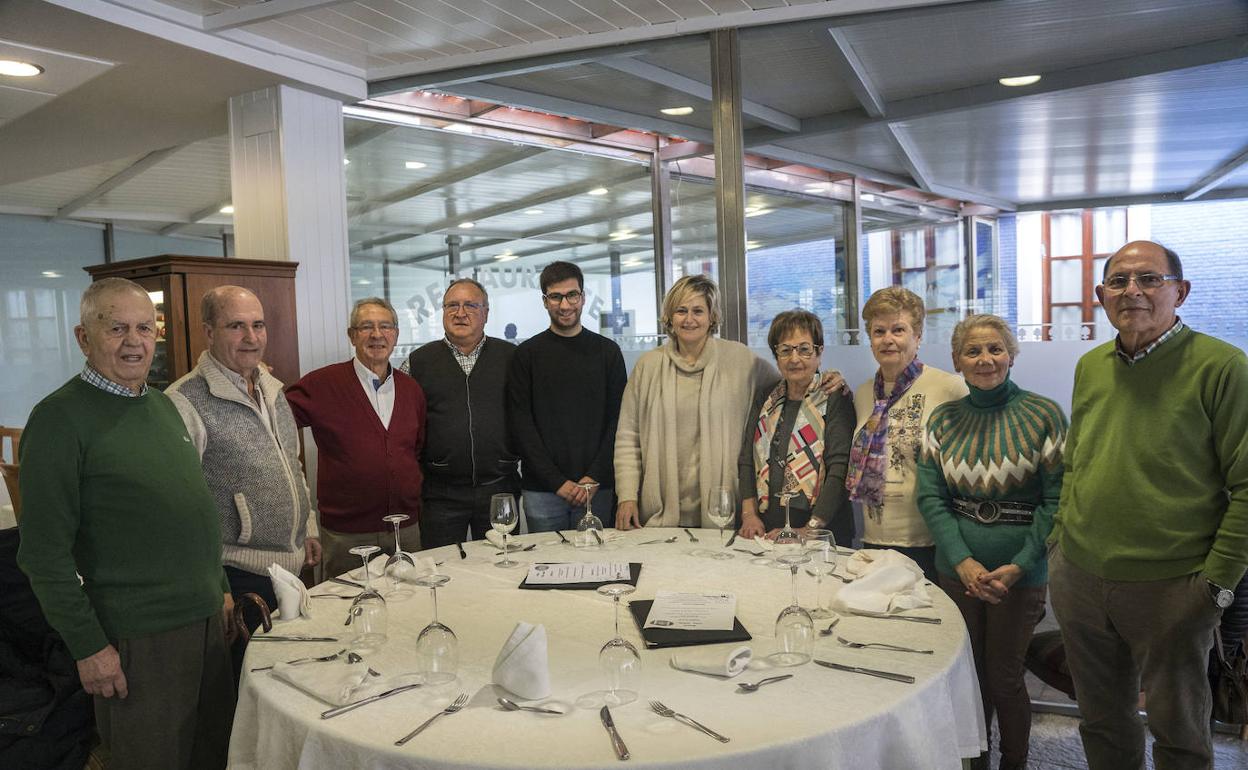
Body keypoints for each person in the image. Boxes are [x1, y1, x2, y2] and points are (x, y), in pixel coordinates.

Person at [17, 278, 234, 769]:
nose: (134, 341)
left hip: (204, 624)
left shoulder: (159, 404)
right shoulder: (58, 420)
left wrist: (217, 585)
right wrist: (89, 646)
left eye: (144, 327)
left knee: (213, 756)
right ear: (82, 337)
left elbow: (189, 509)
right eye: (116, 328)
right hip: (139, 638)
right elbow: (43, 555)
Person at [1048, 240, 1248, 770]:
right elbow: (1078, 460)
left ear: (1179, 292)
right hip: (1081, 576)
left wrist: (1216, 584)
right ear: (1100, 295)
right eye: (1118, 281)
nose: (1132, 290)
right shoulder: (1091, 365)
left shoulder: (1223, 367)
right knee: (1101, 721)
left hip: (1173, 586)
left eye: (1149, 279)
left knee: (1179, 730)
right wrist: (1058, 540)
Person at [917, 313, 1067, 770]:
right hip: (956, 570)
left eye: (995, 349)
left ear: (1011, 354)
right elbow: (931, 496)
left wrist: (1021, 564)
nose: (985, 359)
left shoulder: (1044, 415)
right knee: (966, 676)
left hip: (1018, 575)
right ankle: (973, 761)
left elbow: (1056, 500)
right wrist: (961, 560)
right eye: (973, 351)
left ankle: (1015, 762)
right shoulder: (942, 420)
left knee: (1004, 677)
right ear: (957, 361)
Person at [166, 286, 320, 676]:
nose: (251, 338)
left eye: (258, 325)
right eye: (236, 326)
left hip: (289, 568)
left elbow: (293, 462)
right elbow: (180, 506)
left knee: (295, 676)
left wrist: (309, 526)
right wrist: (214, 585)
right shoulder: (184, 400)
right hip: (237, 575)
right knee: (252, 686)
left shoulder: (271, 388)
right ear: (209, 331)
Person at [614, 275, 779, 529]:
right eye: (681, 311)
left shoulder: (740, 360)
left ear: (712, 316)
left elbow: (789, 385)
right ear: (670, 316)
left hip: (721, 513)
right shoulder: (647, 367)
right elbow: (627, 437)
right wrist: (627, 497)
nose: (689, 319)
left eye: (698, 311)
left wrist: (824, 380)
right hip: (659, 515)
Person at [286, 297, 425, 579]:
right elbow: (275, 420)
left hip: (405, 530)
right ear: (351, 336)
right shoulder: (322, 384)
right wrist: (258, 378)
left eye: (385, 326)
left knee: (411, 604)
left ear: (396, 335)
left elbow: (416, 448)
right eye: (366, 327)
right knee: (347, 611)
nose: (377, 334)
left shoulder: (411, 390)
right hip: (347, 535)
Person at [846, 286, 967, 581]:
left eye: (898, 330)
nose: (888, 339)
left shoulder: (949, 389)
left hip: (931, 544)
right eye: (879, 331)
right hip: (874, 542)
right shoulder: (863, 394)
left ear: (918, 336)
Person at [508, 262, 627, 532]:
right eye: (556, 296)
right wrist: (557, 482)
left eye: (572, 295)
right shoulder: (526, 355)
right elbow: (521, 425)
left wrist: (594, 477)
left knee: (598, 567)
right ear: (545, 301)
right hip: (543, 491)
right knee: (546, 569)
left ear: (583, 297)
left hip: (599, 488)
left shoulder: (608, 353)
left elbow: (618, 421)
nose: (565, 305)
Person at [402, 279, 521, 548]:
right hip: (440, 493)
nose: (460, 312)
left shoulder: (513, 358)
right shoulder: (418, 362)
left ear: (486, 313)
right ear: (443, 312)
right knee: (443, 569)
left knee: (501, 568)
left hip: (499, 486)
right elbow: (405, 427)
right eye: (452, 305)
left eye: (470, 305)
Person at [738, 309, 855, 544]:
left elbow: (839, 469)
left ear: (819, 352)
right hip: (766, 531)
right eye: (785, 350)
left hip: (822, 533)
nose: (794, 359)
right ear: (776, 355)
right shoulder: (766, 396)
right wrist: (749, 515)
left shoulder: (834, 396)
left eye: (804, 349)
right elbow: (747, 459)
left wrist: (808, 529)